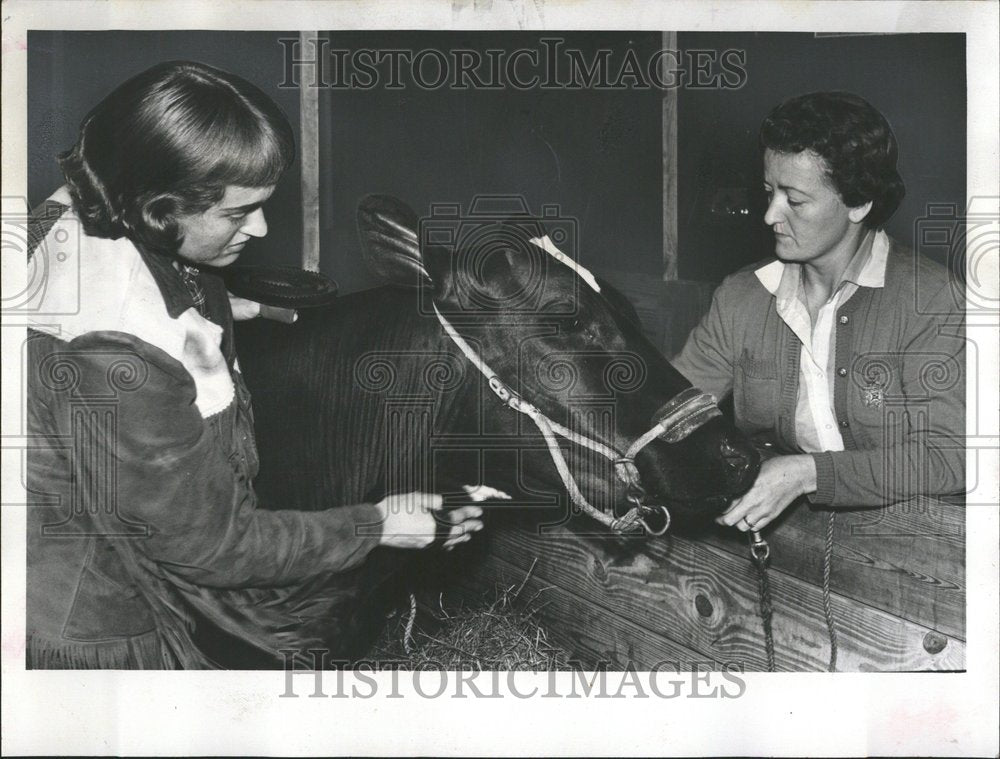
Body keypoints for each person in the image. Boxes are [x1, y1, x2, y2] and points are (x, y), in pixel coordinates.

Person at [24, 60, 484, 669]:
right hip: (101, 624)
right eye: (239, 213)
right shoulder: (120, 356)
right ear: (160, 207)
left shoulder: (76, 209)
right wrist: (376, 525)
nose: (262, 229)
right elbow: (215, 547)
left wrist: (220, 304)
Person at [672, 91, 965, 534]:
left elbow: (951, 457)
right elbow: (672, 413)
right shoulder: (741, 297)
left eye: (795, 199)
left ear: (858, 203)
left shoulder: (933, 301)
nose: (771, 214)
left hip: (925, 550)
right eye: (769, 192)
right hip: (796, 544)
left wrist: (806, 473)